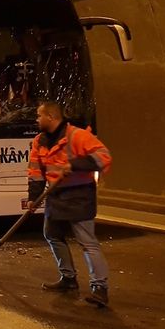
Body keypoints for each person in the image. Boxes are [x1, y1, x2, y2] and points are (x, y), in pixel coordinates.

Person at [28, 101, 112, 307]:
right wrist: (33, 197)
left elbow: (104, 158)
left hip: (79, 195)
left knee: (87, 242)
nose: (37, 120)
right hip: (56, 196)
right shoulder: (39, 141)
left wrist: (74, 164)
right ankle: (68, 278)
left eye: (39, 116)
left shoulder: (78, 136)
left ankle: (99, 287)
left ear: (51, 117)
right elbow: (36, 173)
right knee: (52, 235)